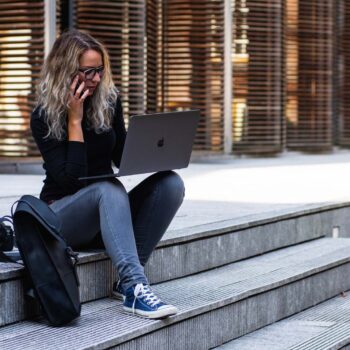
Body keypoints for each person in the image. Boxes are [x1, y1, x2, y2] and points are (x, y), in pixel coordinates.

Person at [30, 30, 185, 319]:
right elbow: (68, 181)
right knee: (108, 188)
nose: (96, 79)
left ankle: (127, 279)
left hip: (104, 216)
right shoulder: (43, 116)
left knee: (170, 183)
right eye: (88, 72)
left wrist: (157, 148)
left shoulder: (108, 102)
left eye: (99, 70)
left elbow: (120, 157)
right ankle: (135, 288)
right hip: (62, 219)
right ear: (65, 70)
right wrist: (74, 120)